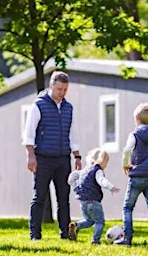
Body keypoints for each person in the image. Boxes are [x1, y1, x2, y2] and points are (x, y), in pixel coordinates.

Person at [23, 71, 82, 240]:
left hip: (63, 158)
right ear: (51, 86)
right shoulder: (38, 105)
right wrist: (31, 156)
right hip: (42, 158)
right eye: (59, 89)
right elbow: (29, 134)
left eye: (65, 89)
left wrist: (77, 156)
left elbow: (73, 134)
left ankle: (66, 233)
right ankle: (35, 234)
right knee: (39, 196)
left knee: (64, 198)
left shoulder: (69, 108)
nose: (62, 93)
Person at [115, 103, 148, 248]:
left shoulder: (134, 134)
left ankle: (127, 238)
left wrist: (125, 164)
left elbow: (127, 150)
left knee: (127, 208)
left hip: (137, 177)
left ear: (136, 119)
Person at [67, 148, 120, 244]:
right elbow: (101, 181)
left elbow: (71, 178)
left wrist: (75, 189)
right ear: (102, 161)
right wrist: (111, 187)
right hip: (93, 201)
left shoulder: (84, 170)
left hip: (83, 202)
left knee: (89, 220)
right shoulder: (97, 170)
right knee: (99, 222)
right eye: (106, 162)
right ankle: (95, 241)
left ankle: (76, 225)